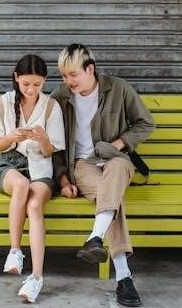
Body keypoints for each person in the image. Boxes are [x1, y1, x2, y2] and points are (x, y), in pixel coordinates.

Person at [51, 44, 155, 307]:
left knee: (117, 171)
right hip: (82, 165)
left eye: (73, 74)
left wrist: (119, 144)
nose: (68, 81)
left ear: (90, 69)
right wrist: (63, 179)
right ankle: (123, 277)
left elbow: (145, 123)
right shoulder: (60, 98)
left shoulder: (118, 88)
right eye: (64, 75)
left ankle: (95, 239)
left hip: (116, 160)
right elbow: (54, 145)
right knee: (112, 198)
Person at [0, 54, 65, 303]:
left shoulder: (51, 107)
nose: (31, 89)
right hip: (9, 165)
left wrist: (43, 139)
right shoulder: (3, 103)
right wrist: (12, 137)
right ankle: (15, 251)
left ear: (45, 81)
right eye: (26, 84)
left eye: (37, 84)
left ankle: (36, 277)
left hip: (40, 168)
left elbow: (50, 152)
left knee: (34, 205)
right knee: (21, 185)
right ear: (16, 78)